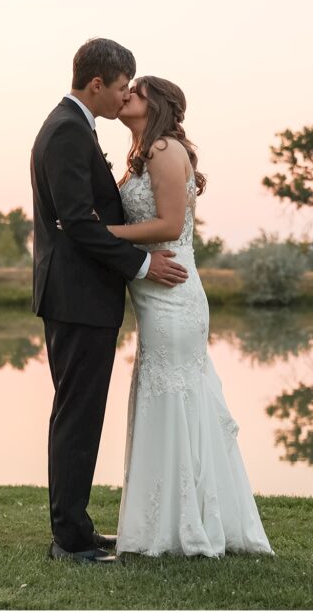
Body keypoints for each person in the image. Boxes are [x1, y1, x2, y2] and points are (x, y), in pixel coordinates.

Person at [29, 39, 189, 565]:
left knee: (80, 413)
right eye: (121, 87)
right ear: (96, 84)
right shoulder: (67, 132)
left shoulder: (74, 128)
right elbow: (77, 224)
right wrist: (141, 266)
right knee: (77, 415)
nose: (124, 97)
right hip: (76, 297)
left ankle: (76, 527)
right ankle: (69, 539)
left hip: (82, 297)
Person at [107, 76, 274, 557]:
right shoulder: (144, 152)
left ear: (154, 103)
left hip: (173, 294)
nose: (125, 97)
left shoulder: (163, 149)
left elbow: (169, 225)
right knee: (166, 396)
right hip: (154, 292)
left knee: (174, 397)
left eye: (134, 92)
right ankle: (168, 521)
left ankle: (181, 527)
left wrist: (100, 232)